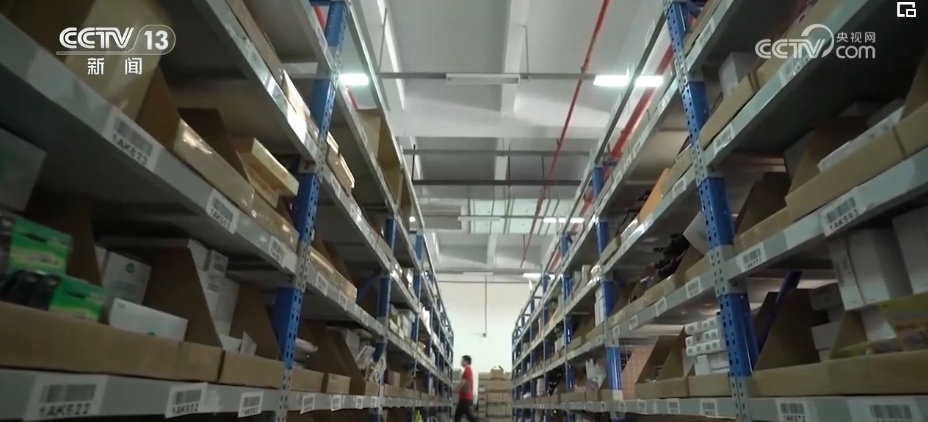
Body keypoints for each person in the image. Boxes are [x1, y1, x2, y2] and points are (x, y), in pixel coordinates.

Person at [454, 355, 479, 422]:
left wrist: (456, 389)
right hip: (464, 397)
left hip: (465, 398)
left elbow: (463, 382)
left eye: (462, 360)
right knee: (459, 416)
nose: (461, 362)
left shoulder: (467, 370)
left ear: (466, 361)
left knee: (467, 416)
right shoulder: (467, 370)